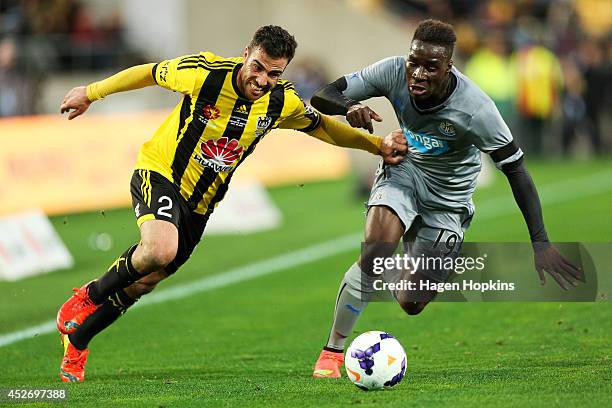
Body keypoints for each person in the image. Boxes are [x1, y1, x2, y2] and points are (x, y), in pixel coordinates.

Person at [56, 25, 408, 383]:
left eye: (274, 73)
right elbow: (148, 72)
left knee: (144, 282)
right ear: (246, 54)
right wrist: (90, 92)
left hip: (201, 204)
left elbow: (323, 127)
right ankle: (89, 295)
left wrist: (376, 146)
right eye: (258, 67)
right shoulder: (204, 75)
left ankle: (78, 340)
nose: (262, 79)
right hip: (161, 172)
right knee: (160, 248)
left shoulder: (280, 101)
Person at [309, 19, 582, 378]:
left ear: (448, 68)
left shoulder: (476, 109)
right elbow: (323, 94)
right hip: (405, 171)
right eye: (414, 62)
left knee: (411, 303)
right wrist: (347, 106)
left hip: (449, 200)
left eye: (430, 67)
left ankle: (415, 249)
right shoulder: (393, 71)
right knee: (374, 252)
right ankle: (332, 351)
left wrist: (540, 242)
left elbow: (516, 171)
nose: (418, 74)